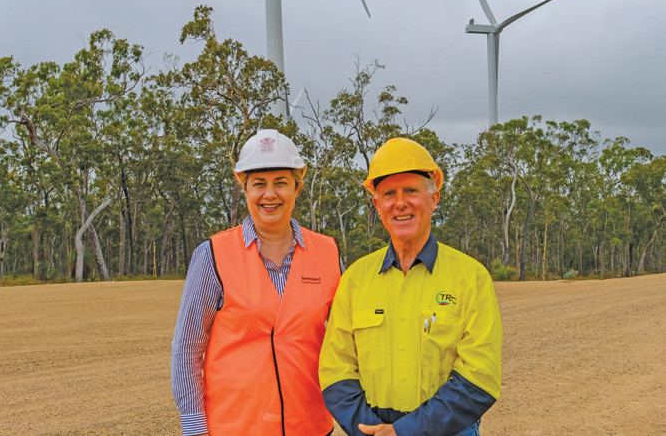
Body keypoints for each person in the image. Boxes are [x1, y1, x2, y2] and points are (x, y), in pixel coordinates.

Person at [319, 137, 502, 436]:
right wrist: (374, 430)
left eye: (411, 191)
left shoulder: (471, 278)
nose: (400, 202)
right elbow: (335, 369)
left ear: (434, 199)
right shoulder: (355, 279)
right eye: (389, 193)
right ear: (377, 204)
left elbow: (480, 378)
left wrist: (406, 431)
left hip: (449, 430)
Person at [171, 129, 342, 436]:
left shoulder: (328, 253)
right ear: (244, 188)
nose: (270, 194)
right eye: (259, 184)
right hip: (235, 427)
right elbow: (187, 348)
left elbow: (347, 342)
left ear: (298, 187)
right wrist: (194, 427)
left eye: (281, 183)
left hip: (311, 427)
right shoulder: (213, 255)